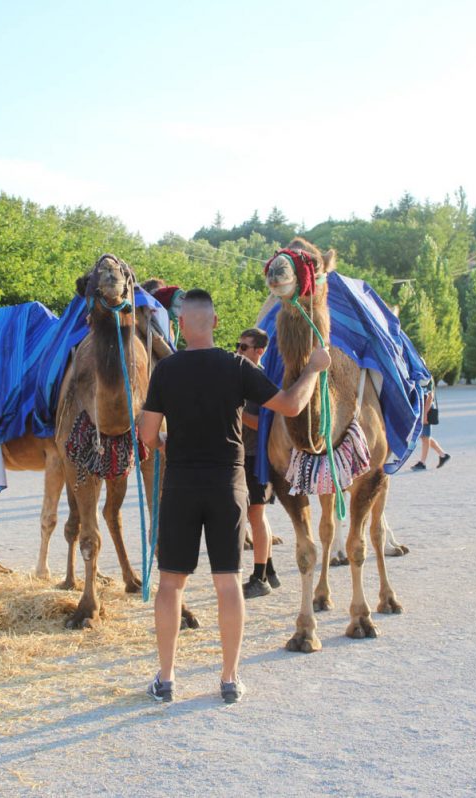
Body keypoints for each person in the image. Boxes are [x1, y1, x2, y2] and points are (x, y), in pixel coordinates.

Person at [139, 289, 331, 704]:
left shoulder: (166, 370)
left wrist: (167, 443)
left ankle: (166, 679)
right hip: (228, 485)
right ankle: (228, 680)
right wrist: (314, 370)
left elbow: (147, 435)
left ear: (181, 326)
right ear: (216, 322)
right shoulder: (237, 366)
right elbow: (290, 406)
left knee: (171, 583)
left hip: (181, 485)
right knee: (227, 582)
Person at [236, 327, 280, 599]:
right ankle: (269, 571)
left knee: (255, 517)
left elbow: (266, 424)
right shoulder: (244, 377)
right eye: (238, 345)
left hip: (256, 458)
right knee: (257, 516)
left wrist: (236, 411)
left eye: (244, 347)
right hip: (245, 456)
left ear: (259, 351)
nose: (238, 351)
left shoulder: (261, 381)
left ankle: (259, 577)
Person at [411, 376, 451, 471]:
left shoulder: (426, 376)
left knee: (425, 437)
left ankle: (422, 463)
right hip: (422, 410)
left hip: (426, 410)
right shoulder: (420, 375)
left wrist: (425, 414)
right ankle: (443, 455)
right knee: (424, 436)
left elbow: (430, 396)